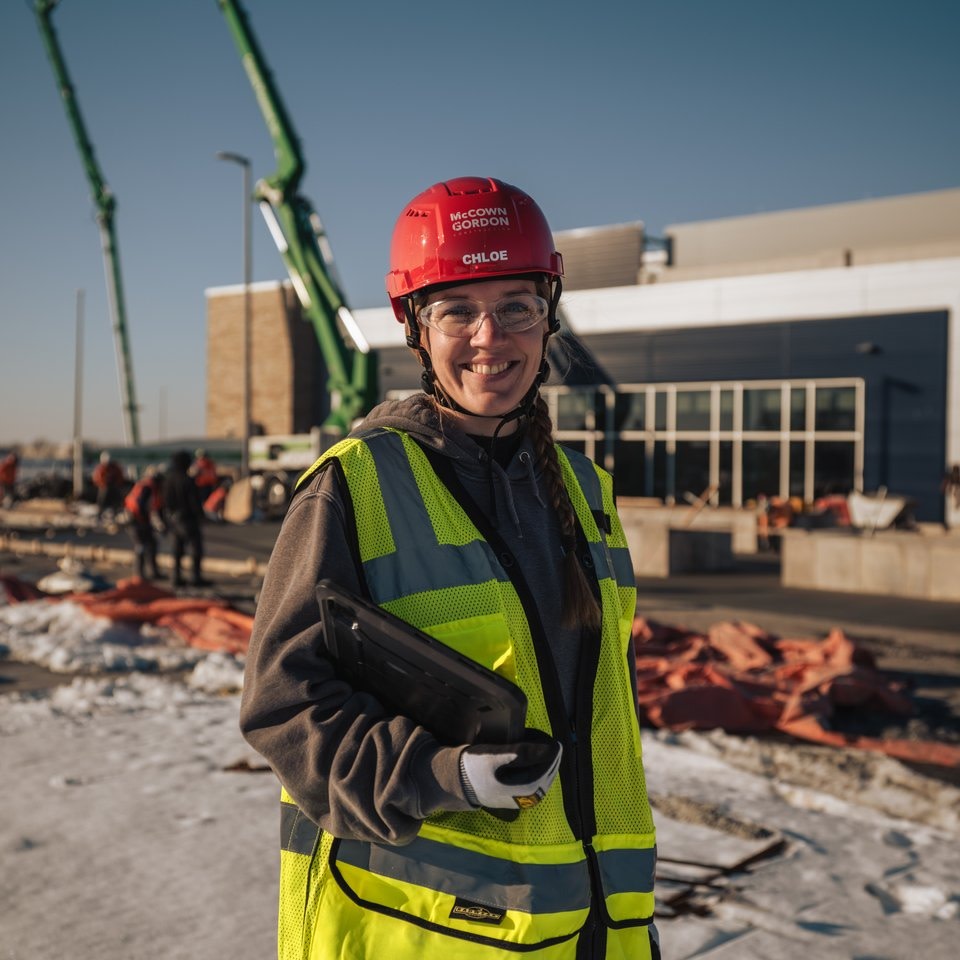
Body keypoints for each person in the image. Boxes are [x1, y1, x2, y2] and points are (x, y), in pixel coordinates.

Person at [240, 177, 659, 960]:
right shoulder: (354, 486)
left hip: (594, 930)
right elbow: (282, 710)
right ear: (415, 329)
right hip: (427, 933)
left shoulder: (584, 491)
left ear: (548, 315)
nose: (489, 337)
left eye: (515, 307)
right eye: (457, 309)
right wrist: (441, 774)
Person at [164, 450, 211, 588]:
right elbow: (194, 502)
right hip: (187, 519)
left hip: (173, 520)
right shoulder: (188, 480)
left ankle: (176, 578)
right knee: (196, 548)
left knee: (177, 550)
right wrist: (201, 516)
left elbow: (165, 502)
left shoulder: (168, 480)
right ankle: (195, 578)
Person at [123, 466, 163, 581]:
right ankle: (139, 575)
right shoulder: (148, 488)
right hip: (137, 520)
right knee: (141, 546)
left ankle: (151, 572)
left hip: (136, 519)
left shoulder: (143, 485)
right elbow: (141, 505)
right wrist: (145, 519)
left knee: (151, 544)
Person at [92, 451, 125, 520]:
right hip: (104, 487)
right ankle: (99, 514)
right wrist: (104, 484)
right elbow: (97, 478)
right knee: (102, 498)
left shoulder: (115, 468)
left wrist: (117, 483)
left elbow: (120, 476)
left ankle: (117, 512)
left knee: (117, 498)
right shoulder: (100, 469)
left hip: (114, 486)